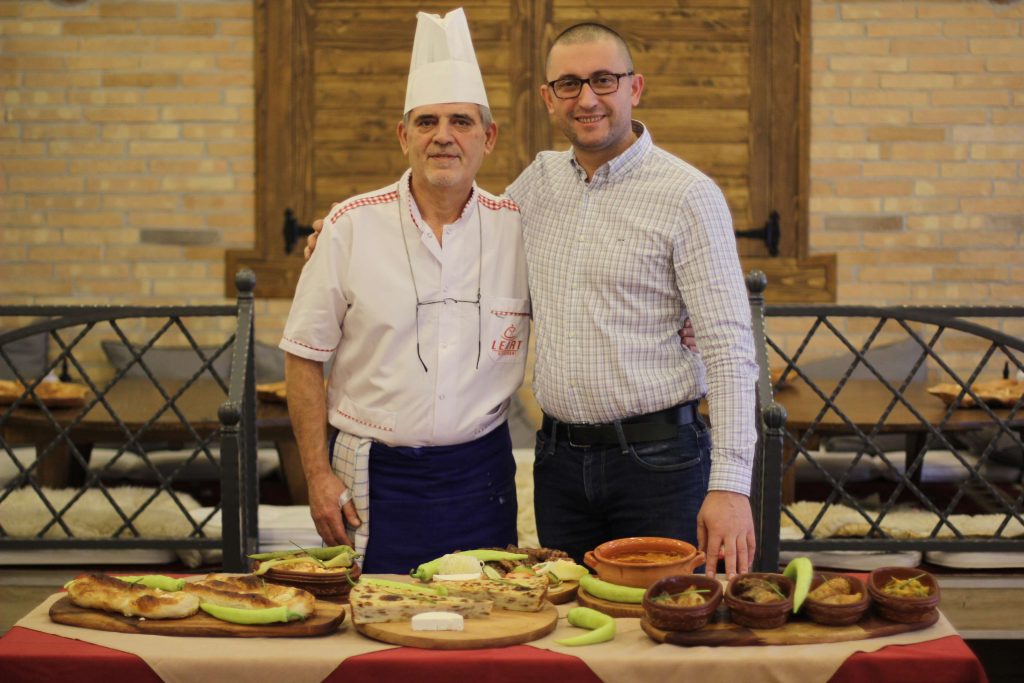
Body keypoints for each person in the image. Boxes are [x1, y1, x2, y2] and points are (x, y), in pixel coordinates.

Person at [305, 21, 757, 579]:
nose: (586, 98)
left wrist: (731, 485)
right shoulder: (535, 188)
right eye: (569, 84)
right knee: (567, 613)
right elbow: (458, 220)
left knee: (663, 616)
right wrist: (343, 232)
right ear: (548, 97)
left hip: (660, 461)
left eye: (604, 80)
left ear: (635, 88)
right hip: (561, 466)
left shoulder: (688, 195)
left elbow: (730, 349)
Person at [279, 8, 530, 573]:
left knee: (488, 612)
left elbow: (582, 288)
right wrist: (316, 475)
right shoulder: (348, 227)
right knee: (373, 615)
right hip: (372, 473)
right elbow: (303, 357)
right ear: (403, 136)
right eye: (426, 122)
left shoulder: (519, 229)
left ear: (488, 137)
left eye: (461, 121)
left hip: (481, 474)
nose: (443, 136)